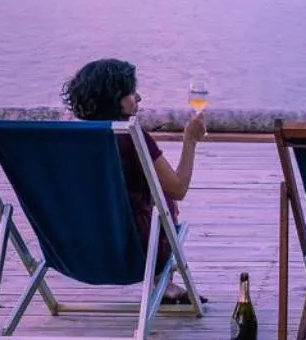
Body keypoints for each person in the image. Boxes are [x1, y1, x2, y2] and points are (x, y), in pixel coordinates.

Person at [61, 57, 206, 298]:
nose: (138, 97)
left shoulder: (65, 142)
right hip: (135, 252)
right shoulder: (131, 139)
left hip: (73, 250)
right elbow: (178, 188)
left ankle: (165, 286)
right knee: (163, 199)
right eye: (130, 92)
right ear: (113, 100)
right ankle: (161, 282)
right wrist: (190, 139)